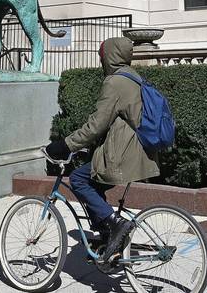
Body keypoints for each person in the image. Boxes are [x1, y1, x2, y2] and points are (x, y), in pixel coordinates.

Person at [46, 36, 159, 263]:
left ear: (109, 57)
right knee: (93, 181)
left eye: (102, 56)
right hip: (139, 153)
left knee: (78, 179)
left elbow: (96, 125)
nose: (101, 61)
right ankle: (108, 237)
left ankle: (114, 226)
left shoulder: (115, 82)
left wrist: (64, 145)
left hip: (123, 154)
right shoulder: (134, 78)